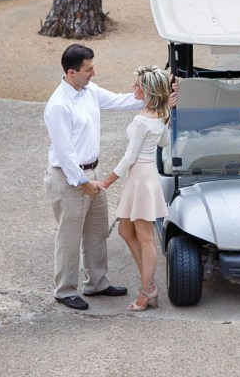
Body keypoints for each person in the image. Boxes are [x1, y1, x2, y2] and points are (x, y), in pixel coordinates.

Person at [43, 43, 142, 310]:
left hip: (92, 172)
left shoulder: (89, 91)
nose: (93, 73)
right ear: (72, 71)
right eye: (88, 69)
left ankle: (96, 283)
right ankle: (64, 290)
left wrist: (157, 97)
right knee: (69, 237)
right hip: (68, 178)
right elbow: (64, 152)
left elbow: (121, 101)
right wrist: (83, 182)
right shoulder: (58, 106)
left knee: (97, 233)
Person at [99, 65, 171, 313]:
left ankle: (147, 290)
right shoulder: (157, 117)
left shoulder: (141, 121)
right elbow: (165, 141)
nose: (133, 88)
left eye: (137, 85)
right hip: (145, 175)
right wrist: (166, 115)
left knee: (145, 237)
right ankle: (147, 283)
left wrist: (107, 182)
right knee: (125, 229)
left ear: (148, 90)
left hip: (140, 176)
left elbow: (129, 157)